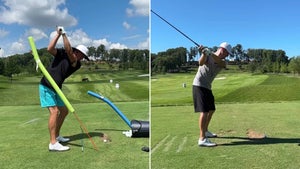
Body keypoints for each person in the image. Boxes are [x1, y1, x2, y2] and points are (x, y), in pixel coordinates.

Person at [39, 27, 90, 151]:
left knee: (64, 111)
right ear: (78, 52)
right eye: (83, 56)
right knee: (55, 112)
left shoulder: (76, 63)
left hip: (57, 88)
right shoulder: (62, 53)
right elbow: (49, 49)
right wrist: (58, 34)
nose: (83, 59)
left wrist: (64, 35)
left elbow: (69, 52)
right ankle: (53, 143)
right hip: (46, 85)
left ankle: (56, 136)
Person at [192, 42, 232, 147]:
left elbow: (220, 62)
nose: (228, 56)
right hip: (199, 85)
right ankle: (202, 139)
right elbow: (200, 63)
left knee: (211, 109)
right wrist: (204, 53)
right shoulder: (207, 55)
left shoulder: (223, 61)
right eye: (227, 53)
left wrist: (209, 53)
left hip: (207, 87)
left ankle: (205, 131)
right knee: (204, 111)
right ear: (223, 50)